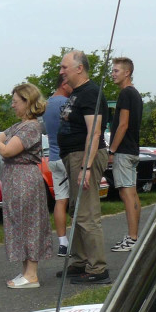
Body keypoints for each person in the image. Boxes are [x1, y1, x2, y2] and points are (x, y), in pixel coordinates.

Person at [0, 83, 55, 288]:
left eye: (15, 102)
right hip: (15, 179)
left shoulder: (31, 127)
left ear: (27, 102)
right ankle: (26, 272)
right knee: (19, 223)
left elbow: (5, 150)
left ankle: (32, 275)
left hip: (25, 180)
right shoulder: (18, 126)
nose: (12, 106)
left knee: (28, 223)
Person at [57, 49, 110, 284]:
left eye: (64, 67)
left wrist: (86, 168)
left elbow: (95, 131)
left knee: (87, 213)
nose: (61, 72)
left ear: (79, 68)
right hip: (74, 156)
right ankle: (80, 261)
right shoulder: (78, 93)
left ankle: (98, 268)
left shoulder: (90, 93)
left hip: (84, 157)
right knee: (76, 211)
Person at [108, 57, 143, 252]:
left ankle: (132, 238)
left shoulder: (125, 94)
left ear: (127, 73)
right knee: (132, 193)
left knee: (126, 193)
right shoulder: (135, 94)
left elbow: (123, 124)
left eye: (116, 71)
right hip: (133, 150)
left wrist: (112, 150)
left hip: (123, 151)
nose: (113, 74)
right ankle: (135, 236)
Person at [43, 75, 72, 257]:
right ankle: (80, 241)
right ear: (63, 83)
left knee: (60, 201)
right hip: (68, 157)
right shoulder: (69, 103)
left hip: (53, 157)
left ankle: (62, 242)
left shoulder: (45, 105)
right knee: (77, 202)